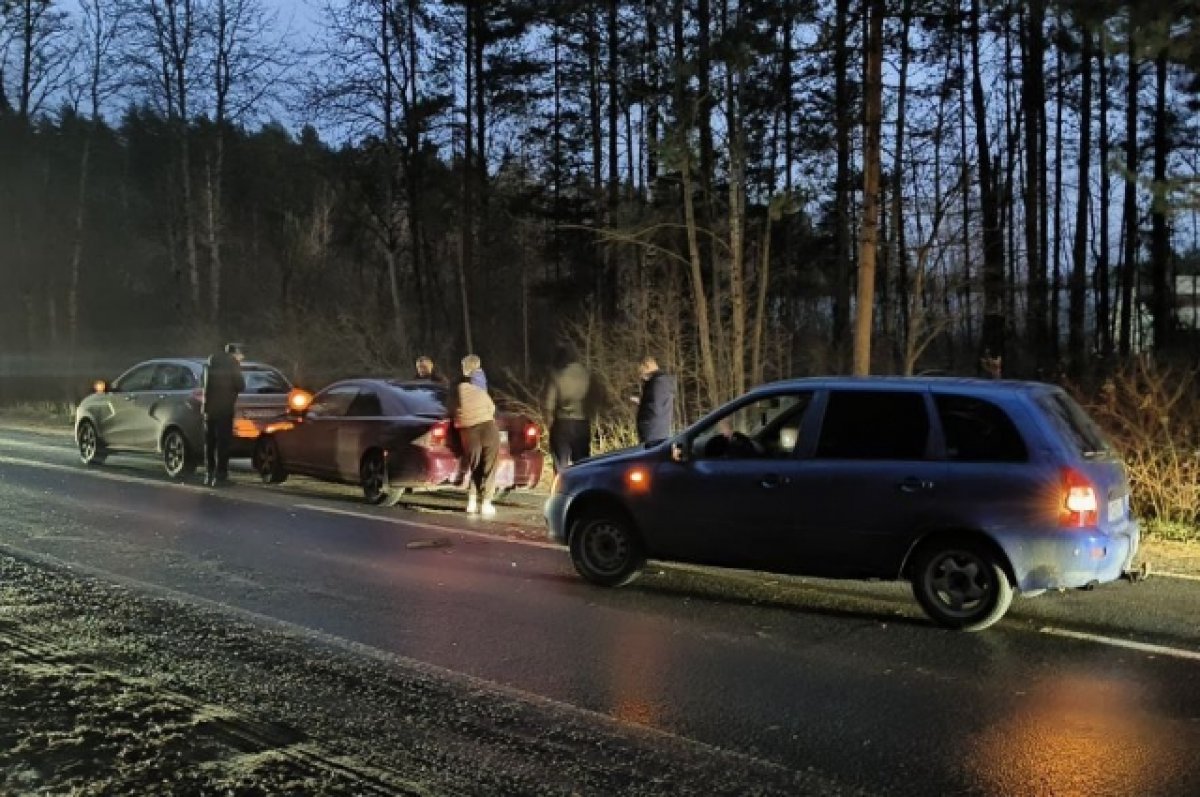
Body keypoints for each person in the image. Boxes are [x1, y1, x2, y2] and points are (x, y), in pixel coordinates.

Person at [453, 355, 500, 517]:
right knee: (489, 467)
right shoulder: (480, 385)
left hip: (469, 432)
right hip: (488, 428)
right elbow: (491, 407)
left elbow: (450, 409)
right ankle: (486, 503)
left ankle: (472, 502)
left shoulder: (457, 388)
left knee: (475, 467)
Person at [203, 342, 245, 486]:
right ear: (235, 353)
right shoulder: (232, 363)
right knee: (223, 443)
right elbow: (240, 385)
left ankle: (208, 474)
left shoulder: (211, 360)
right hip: (224, 409)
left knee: (210, 443)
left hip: (209, 408)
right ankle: (220, 476)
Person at [545, 347, 592, 472]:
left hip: (562, 422)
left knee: (560, 462)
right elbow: (596, 398)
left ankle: (561, 488)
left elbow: (549, 403)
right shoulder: (587, 375)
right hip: (582, 422)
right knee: (583, 462)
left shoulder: (557, 375)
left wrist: (550, 423)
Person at [633, 355, 675, 444]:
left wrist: (644, 423)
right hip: (655, 433)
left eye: (641, 371)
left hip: (653, 434)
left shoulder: (658, 382)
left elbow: (655, 408)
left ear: (647, 366)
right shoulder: (659, 381)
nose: (640, 375)